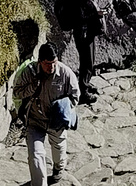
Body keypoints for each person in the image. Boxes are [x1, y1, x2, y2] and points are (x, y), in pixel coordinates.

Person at [10, 42, 82, 185]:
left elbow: (75, 96)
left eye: (54, 63)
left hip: (56, 122)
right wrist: (32, 88)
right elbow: (17, 92)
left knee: (59, 150)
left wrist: (63, 109)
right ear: (40, 61)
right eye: (47, 64)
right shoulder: (29, 73)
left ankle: (57, 170)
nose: (51, 67)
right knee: (36, 156)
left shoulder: (66, 74)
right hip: (35, 120)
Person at [53, 0, 106, 103]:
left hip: (86, 32)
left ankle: (85, 84)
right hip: (83, 33)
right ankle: (83, 92)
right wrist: (97, 14)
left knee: (88, 61)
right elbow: (80, 18)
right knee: (87, 62)